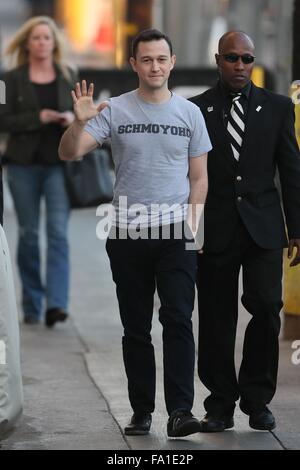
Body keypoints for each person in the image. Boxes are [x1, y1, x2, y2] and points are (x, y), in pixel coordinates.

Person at [59, 29, 211, 437]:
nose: (155, 66)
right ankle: (142, 410)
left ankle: (180, 411)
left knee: (178, 318)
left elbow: (199, 179)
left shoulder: (190, 114)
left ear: (172, 62)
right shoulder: (115, 110)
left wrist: (193, 231)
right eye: (146, 59)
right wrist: (79, 122)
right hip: (127, 232)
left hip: (176, 232)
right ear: (134, 65)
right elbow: (70, 152)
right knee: (136, 327)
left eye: (161, 59)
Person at [190, 31, 300, 432]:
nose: (240, 66)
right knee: (217, 317)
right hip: (214, 230)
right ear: (218, 60)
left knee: (267, 309)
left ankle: (257, 400)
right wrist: (190, 230)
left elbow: (291, 170)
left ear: (254, 63)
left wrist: (297, 228)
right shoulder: (194, 109)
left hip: (265, 229)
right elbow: (187, 174)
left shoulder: (278, 107)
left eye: (247, 59)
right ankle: (219, 403)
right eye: (232, 58)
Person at [0, 16, 76, 327]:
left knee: (58, 233)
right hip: (22, 166)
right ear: (27, 43)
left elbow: (82, 112)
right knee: (29, 235)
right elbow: (3, 120)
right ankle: (32, 304)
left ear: (54, 43)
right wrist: (39, 117)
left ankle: (56, 304)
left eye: (47, 37)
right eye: (37, 37)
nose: (42, 42)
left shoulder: (67, 75)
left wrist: (73, 117)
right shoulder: (10, 78)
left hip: (59, 165)